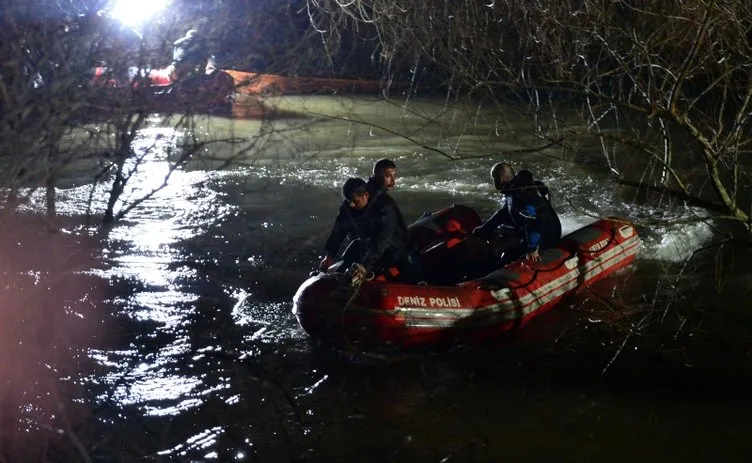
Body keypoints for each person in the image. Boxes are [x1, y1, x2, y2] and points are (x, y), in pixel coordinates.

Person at [473, 169, 562, 266]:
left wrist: (531, 248)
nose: (493, 182)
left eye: (494, 178)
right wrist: (484, 229)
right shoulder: (513, 191)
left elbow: (535, 221)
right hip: (536, 229)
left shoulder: (521, 194)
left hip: (545, 235)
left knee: (506, 257)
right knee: (500, 237)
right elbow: (502, 214)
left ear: (501, 178)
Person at [318, 178, 373, 272]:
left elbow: (385, 239)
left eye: (356, 201)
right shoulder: (346, 208)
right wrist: (329, 256)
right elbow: (338, 232)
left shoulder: (381, 208)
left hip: (379, 251)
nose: (351, 205)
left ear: (366, 195)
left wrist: (365, 264)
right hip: (359, 247)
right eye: (349, 201)